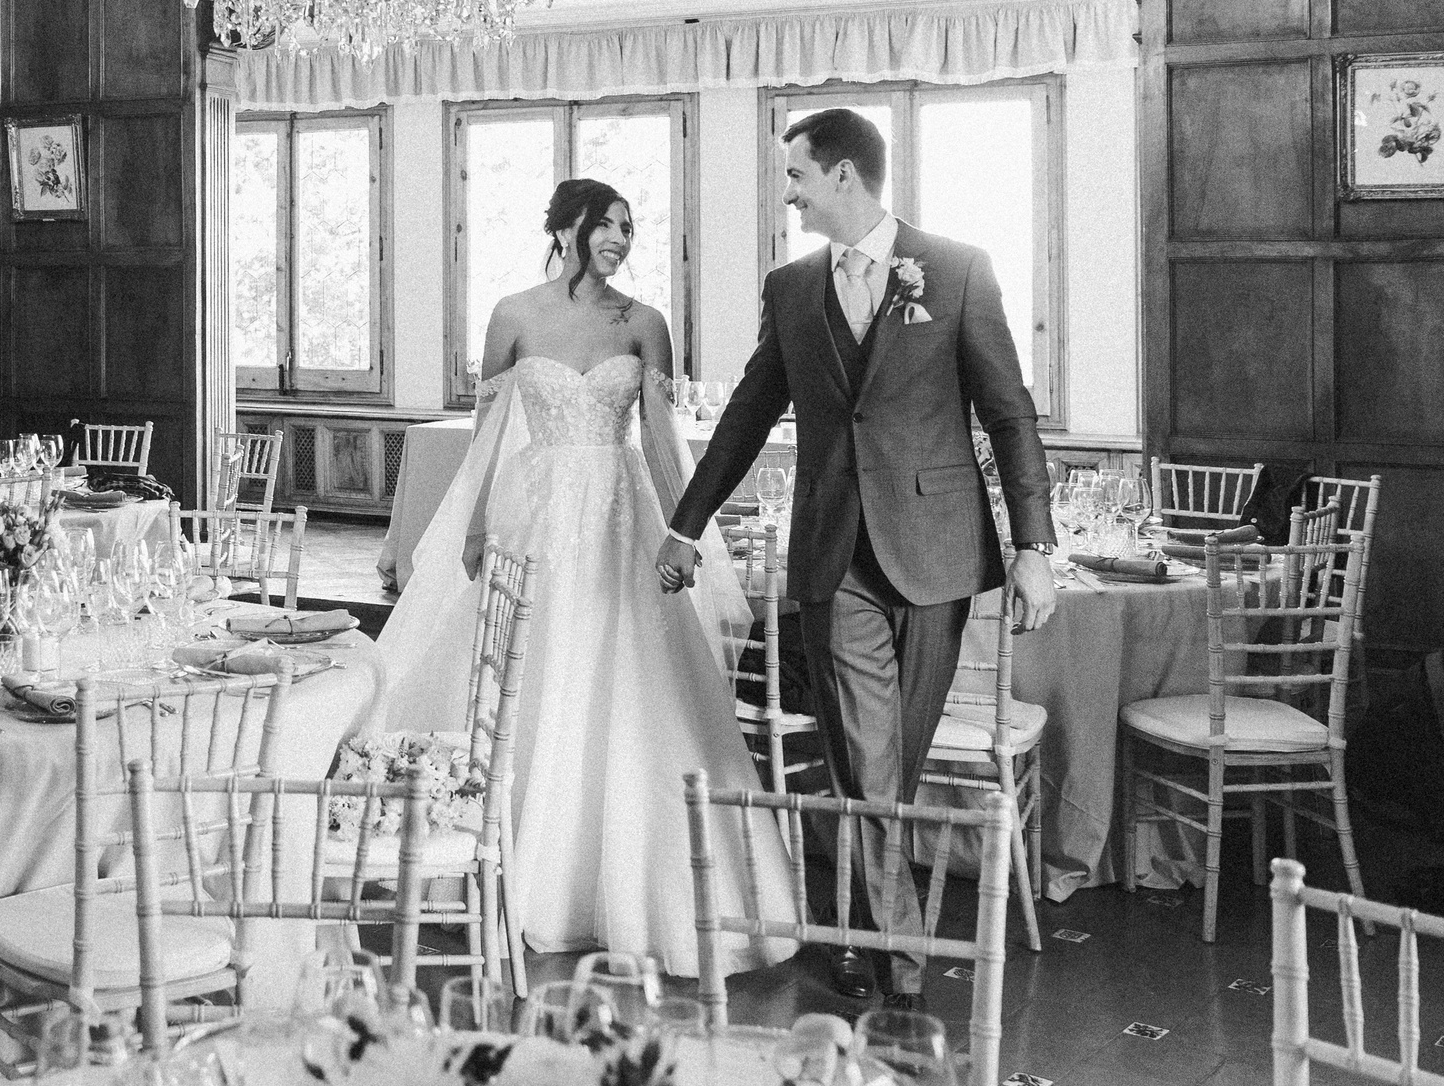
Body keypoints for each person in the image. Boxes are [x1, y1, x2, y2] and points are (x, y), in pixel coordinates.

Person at [656, 107, 1057, 1010]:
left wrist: (1035, 545)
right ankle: (903, 972)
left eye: (796, 176)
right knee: (872, 768)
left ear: (842, 175)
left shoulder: (955, 268)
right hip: (835, 559)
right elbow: (749, 413)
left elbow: (1010, 413)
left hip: (939, 554)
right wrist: (686, 524)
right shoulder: (791, 287)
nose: (788, 194)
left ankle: (855, 929)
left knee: (886, 768)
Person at [367, 178, 797, 980]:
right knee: (528, 676)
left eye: (630, 229)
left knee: (628, 678)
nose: (621, 241)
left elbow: (663, 438)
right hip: (534, 512)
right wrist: (470, 526)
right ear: (566, 227)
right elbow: (488, 434)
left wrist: (683, 526)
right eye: (607, 225)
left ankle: (630, 888)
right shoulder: (513, 315)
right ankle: (506, 863)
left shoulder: (644, 324)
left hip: (620, 513)